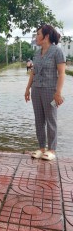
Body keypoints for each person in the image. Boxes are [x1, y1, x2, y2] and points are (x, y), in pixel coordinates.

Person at [25, 24, 66, 161]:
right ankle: (41, 148)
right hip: (36, 90)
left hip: (51, 90)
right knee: (39, 120)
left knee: (51, 120)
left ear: (46, 36)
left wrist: (58, 93)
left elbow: (61, 74)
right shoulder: (37, 53)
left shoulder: (57, 51)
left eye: (38, 34)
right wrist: (27, 89)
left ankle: (52, 149)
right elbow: (33, 72)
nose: (36, 37)